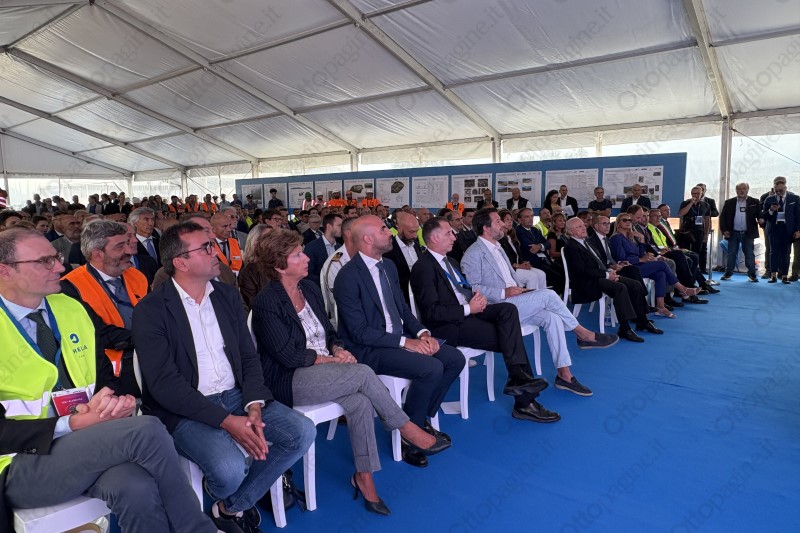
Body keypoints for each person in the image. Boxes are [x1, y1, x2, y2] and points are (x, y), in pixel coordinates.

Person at [0, 228, 217, 532]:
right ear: (5, 270)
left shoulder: (71, 307)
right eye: (45, 261)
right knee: (146, 430)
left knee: (136, 486)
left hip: (85, 441)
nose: (60, 267)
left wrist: (111, 402)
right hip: (18, 461)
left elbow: (104, 377)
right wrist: (70, 423)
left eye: (56, 257)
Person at [132, 221, 316, 532]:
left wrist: (254, 404)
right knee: (229, 469)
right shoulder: (151, 310)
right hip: (186, 407)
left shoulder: (226, 296)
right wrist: (227, 421)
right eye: (205, 247)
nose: (215, 251)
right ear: (181, 262)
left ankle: (230, 508)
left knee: (302, 432)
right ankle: (231, 490)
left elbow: (248, 356)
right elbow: (164, 385)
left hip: (236, 395)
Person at [252, 230, 449, 515]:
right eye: (298, 255)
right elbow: (287, 355)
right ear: (279, 266)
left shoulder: (309, 289)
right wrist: (328, 359)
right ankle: (407, 428)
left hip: (324, 368)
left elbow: (330, 332)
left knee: (360, 402)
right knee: (363, 373)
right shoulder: (267, 302)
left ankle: (364, 477)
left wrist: (338, 348)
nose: (307, 258)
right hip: (290, 378)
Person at [333, 216, 464, 468]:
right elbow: (359, 333)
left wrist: (422, 333)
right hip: (368, 349)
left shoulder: (389, 266)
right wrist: (406, 342)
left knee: (453, 358)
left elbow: (403, 310)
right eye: (384, 229)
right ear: (368, 239)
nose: (390, 232)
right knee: (431, 367)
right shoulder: (347, 277)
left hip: (397, 339)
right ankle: (410, 435)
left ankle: (418, 418)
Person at [411, 218, 558, 422]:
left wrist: (476, 300)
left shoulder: (450, 262)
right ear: (434, 238)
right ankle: (525, 401)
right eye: (448, 233)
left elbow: (462, 289)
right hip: (449, 325)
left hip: (469, 311)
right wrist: (468, 308)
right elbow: (430, 313)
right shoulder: (423, 267)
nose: (454, 237)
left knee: (507, 310)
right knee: (510, 336)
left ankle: (519, 379)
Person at [461, 208, 618, 397]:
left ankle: (564, 375)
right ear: (486, 228)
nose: (502, 224)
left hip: (515, 300)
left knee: (552, 317)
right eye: (497, 221)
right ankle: (583, 334)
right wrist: (504, 292)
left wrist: (518, 289)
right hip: (498, 307)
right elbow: (474, 288)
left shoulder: (498, 247)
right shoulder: (473, 253)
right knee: (549, 295)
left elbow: (508, 278)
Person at [60, 219, 149, 398]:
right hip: (110, 371)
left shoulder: (136, 275)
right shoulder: (70, 287)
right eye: (120, 246)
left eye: (127, 243)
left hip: (148, 355)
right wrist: (148, 338)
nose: (130, 251)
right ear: (97, 254)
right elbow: (97, 333)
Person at [563, 218, 662, 342]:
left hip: (599, 276)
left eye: (583, 225)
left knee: (635, 284)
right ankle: (624, 328)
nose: (583, 228)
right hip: (587, 282)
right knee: (620, 288)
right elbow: (583, 271)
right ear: (570, 231)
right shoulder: (571, 247)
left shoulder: (586, 242)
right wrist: (606, 275)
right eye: (579, 227)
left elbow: (599, 262)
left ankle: (642, 321)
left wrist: (610, 270)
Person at [610, 214, 700, 318]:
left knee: (660, 274)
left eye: (630, 220)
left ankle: (661, 307)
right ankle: (682, 289)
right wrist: (641, 259)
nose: (628, 222)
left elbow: (640, 254)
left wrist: (642, 241)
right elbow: (621, 259)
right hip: (629, 268)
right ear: (618, 223)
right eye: (624, 220)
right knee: (662, 264)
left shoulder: (631, 237)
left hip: (639, 264)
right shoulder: (616, 238)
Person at [718, 182, 760, 282]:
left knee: (749, 254)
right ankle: (728, 273)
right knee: (731, 253)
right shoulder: (729, 202)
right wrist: (724, 230)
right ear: (736, 190)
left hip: (748, 233)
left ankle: (752, 274)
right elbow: (723, 217)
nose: (741, 191)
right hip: (733, 233)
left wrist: (761, 219)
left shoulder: (754, 201)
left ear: (747, 190)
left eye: (744, 188)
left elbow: (759, 214)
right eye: (739, 189)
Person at [761, 176, 800, 283]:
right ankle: (773, 275)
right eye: (776, 191)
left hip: (788, 229)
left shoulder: (794, 198)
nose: (778, 193)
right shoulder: (769, 199)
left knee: (786, 253)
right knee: (773, 252)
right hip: (774, 229)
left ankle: (784, 276)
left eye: (781, 190)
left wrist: (798, 230)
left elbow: (798, 215)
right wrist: (771, 210)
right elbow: (764, 216)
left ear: (785, 188)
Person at [498, 209, 546, 289]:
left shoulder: (511, 236)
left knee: (541, 274)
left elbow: (518, 254)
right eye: (507, 219)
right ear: (500, 221)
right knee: (532, 276)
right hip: (510, 269)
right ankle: (531, 297)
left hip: (518, 265)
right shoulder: (499, 238)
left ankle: (542, 296)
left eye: (511, 219)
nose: (510, 222)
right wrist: (518, 266)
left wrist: (524, 262)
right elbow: (504, 258)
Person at [382, 212, 424, 304]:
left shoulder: (416, 245)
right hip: (402, 299)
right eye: (411, 232)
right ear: (399, 228)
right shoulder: (388, 250)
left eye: (416, 231)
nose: (415, 236)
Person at [514, 208, 560, 291]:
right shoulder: (518, 231)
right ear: (520, 220)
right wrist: (542, 246)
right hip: (533, 262)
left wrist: (539, 246)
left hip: (544, 260)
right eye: (527, 217)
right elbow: (530, 247)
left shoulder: (534, 229)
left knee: (563, 270)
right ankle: (552, 297)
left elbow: (548, 244)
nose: (530, 219)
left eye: (532, 216)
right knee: (556, 277)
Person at [305, 213, 342, 287]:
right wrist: (326, 281)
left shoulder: (339, 248)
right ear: (329, 226)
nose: (342, 228)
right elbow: (308, 273)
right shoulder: (312, 247)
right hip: (319, 288)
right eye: (339, 225)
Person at [676, 186, 710, 262]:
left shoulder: (705, 205)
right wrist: (691, 203)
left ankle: (696, 266)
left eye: (698, 193)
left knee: (697, 251)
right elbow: (681, 213)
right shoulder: (685, 203)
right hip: (687, 231)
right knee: (686, 250)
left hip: (699, 230)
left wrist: (706, 234)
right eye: (694, 193)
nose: (696, 195)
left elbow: (707, 219)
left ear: (701, 194)